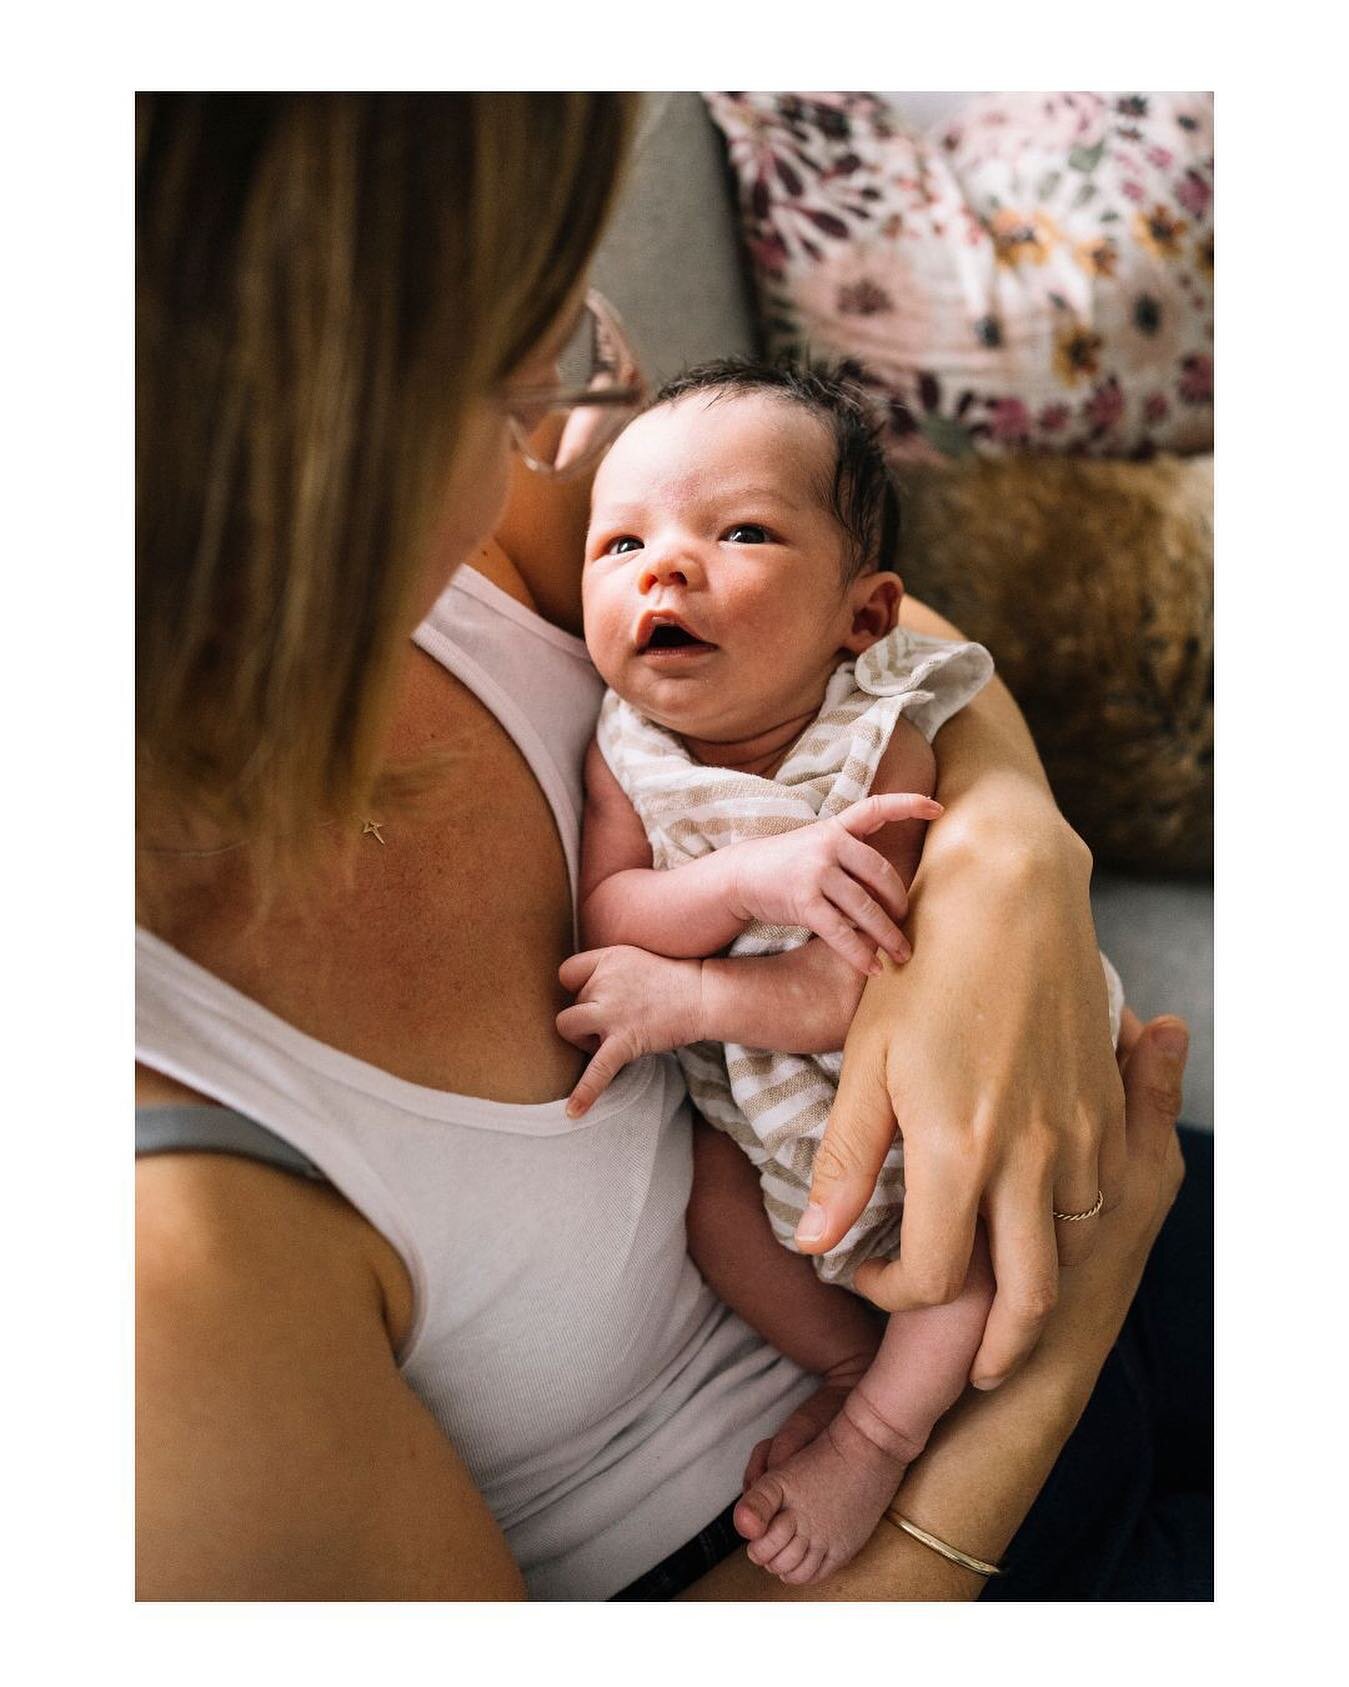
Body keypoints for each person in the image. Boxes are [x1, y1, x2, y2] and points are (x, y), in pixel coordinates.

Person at [136, 92, 1211, 1600]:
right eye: (518, 364)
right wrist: (1051, 1339)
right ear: (297, 441)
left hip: (1063, 1165)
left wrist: (1014, 863)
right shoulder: (157, 1266)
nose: (564, 424)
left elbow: (845, 641)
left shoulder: (490, 529)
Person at [557, 358, 1127, 1585]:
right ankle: (844, 1369)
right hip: (760, 1115)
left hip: (922, 1091)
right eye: (619, 544)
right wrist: (742, 885)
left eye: (741, 531)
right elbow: (612, 904)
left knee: (973, 1253)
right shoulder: (628, 746)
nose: (662, 566)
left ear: (860, 617)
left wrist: (696, 997)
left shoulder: (874, 739)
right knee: (711, 1207)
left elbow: (857, 999)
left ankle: (878, 1432)